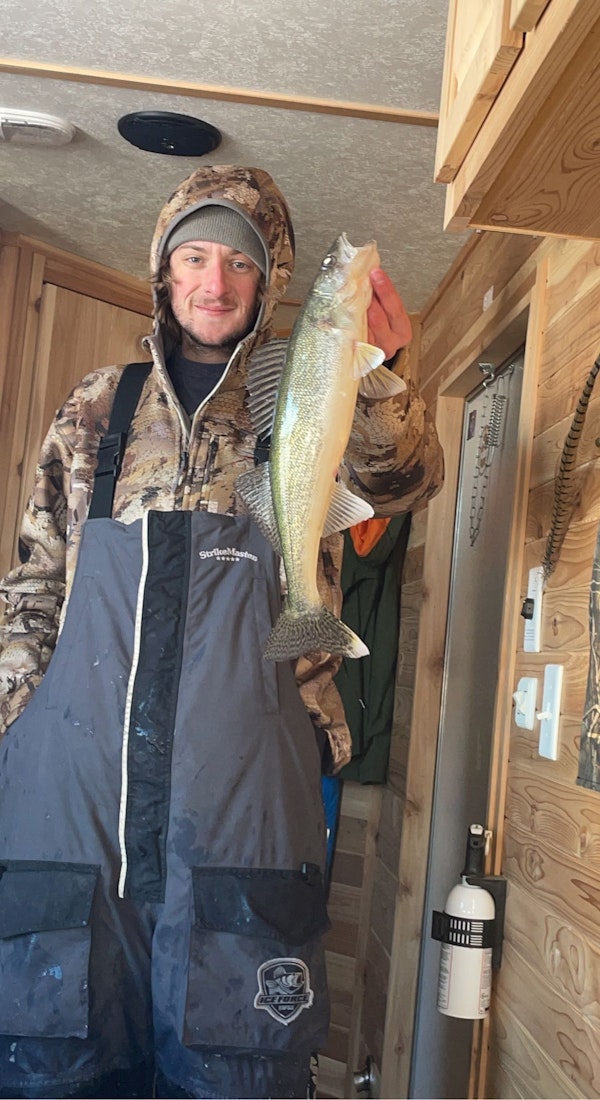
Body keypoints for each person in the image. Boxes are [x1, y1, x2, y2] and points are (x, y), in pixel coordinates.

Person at [0, 165, 443, 1099]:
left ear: (269, 282)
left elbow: (403, 484)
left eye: (239, 263)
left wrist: (381, 380)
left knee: (237, 1068)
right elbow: (34, 581)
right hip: (76, 805)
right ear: (164, 271)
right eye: (195, 257)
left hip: (245, 800)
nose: (214, 281)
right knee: (56, 1062)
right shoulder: (97, 405)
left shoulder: (305, 393)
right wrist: (17, 715)